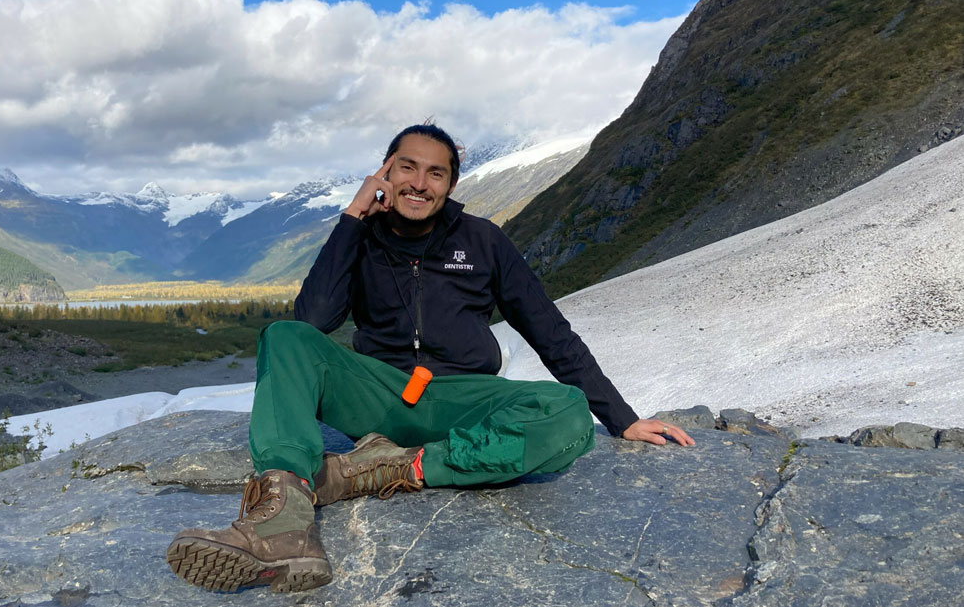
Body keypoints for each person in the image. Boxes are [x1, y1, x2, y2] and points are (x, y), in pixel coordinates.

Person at [165, 123, 694, 593]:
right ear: (385, 173)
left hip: (460, 400)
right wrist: (352, 217)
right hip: (377, 396)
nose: (420, 182)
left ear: (452, 184)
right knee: (284, 336)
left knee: (567, 411)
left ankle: (386, 469)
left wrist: (621, 420)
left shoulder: (484, 241)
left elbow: (549, 331)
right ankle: (283, 520)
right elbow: (314, 320)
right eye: (407, 168)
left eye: (436, 173)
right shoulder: (362, 236)